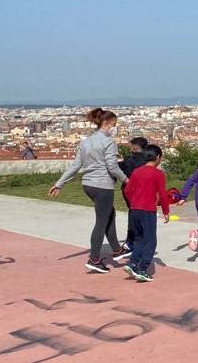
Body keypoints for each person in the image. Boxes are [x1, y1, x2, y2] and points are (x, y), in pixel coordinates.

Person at [49, 108, 129, 274]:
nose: (115, 128)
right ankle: (94, 258)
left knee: (109, 214)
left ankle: (116, 249)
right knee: (101, 221)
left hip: (88, 185)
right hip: (103, 185)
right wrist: (127, 180)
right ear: (106, 124)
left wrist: (59, 183)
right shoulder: (108, 142)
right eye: (114, 124)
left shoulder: (86, 141)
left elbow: (76, 165)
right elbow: (112, 167)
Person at [122, 145, 169, 282]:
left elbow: (127, 190)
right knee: (150, 240)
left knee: (138, 239)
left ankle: (132, 263)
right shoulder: (158, 174)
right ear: (158, 158)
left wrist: (134, 202)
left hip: (135, 210)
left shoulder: (136, 172)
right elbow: (163, 194)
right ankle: (143, 269)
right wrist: (166, 211)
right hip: (148, 211)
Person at [114, 136, 149, 260]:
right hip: (143, 192)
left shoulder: (128, 160)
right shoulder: (147, 161)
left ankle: (131, 242)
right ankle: (138, 241)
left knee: (132, 214)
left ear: (134, 148)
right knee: (143, 217)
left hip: (128, 191)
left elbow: (117, 167)